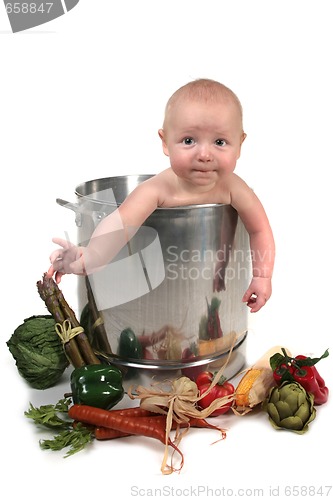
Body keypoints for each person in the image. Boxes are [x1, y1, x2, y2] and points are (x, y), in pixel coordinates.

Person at [48, 78, 275, 313]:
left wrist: (262, 276)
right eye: (189, 141)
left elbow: (260, 230)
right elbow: (121, 223)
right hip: (152, 298)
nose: (205, 154)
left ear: (240, 144)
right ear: (165, 142)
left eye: (220, 142)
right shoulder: (156, 190)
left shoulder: (235, 188)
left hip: (213, 287)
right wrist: (91, 257)